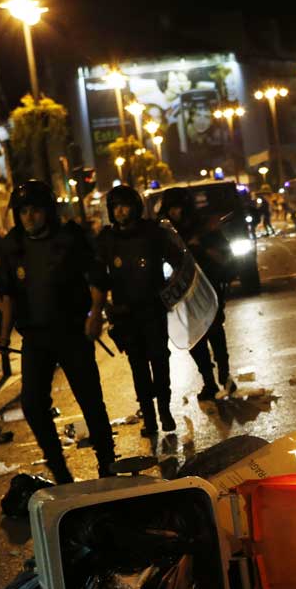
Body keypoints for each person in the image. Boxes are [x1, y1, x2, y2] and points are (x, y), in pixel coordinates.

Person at [0, 180, 115, 483]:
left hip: (72, 331)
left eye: (35, 210)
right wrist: (4, 337)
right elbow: (8, 294)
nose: (29, 217)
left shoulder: (71, 239)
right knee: (33, 404)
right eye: (23, 211)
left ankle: (106, 461)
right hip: (35, 337)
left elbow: (97, 278)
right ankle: (59, 469)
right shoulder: (13, 246)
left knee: (89, 398)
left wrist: (95, 315)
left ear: (47, 210)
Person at [97, 185, 182, 435]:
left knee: (159, 359)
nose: (120, 211)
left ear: (135, 207)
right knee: (138, 366)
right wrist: (104, 307)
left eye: (124, 205)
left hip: (153, 309)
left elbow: (178, 260)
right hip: (125, 313)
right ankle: (149, 417)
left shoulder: (153, 233)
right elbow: (97, 274)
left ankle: (165, 410)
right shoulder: (107, 240)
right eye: (115, 207)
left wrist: (170, 290)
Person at [159, 187, 234, 401]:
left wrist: (199, 248)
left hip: (207, 287)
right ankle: (208, 381)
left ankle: (225, 374)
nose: (175, 213)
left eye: (178, 207)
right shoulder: (166, 234)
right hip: (183, 294)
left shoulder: (203, 227)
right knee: (195, 340)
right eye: (171, 208)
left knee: (215, 332)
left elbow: (223, 255)